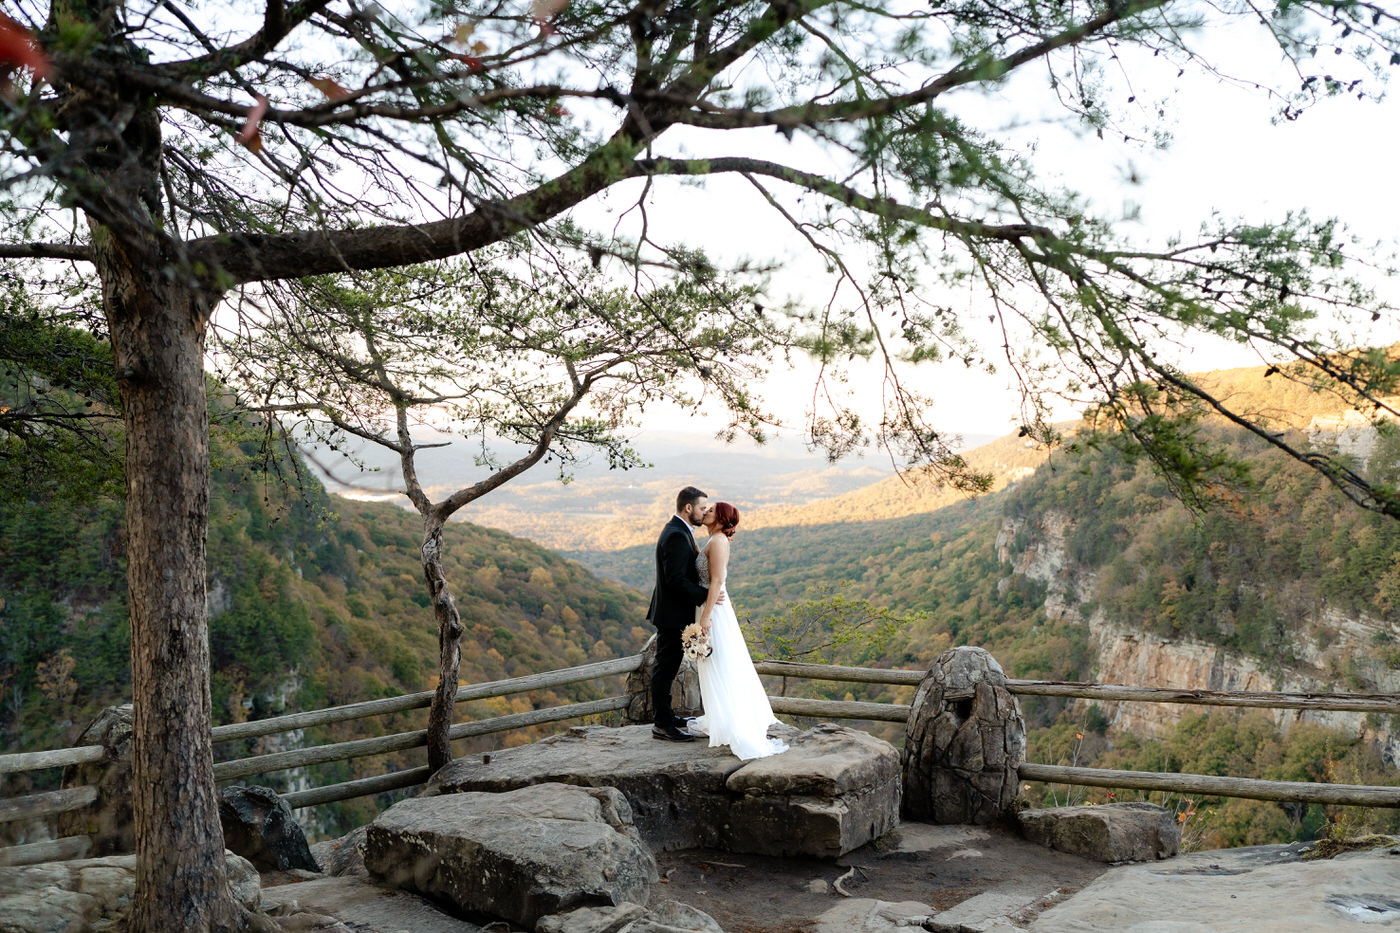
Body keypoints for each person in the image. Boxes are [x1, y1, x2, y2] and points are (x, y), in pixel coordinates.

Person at [688, 502, 789, 760]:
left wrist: (707, 616)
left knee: (721, 662)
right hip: (707, 606)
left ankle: (735, 724)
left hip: (714, 611)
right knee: (714, 663)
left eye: (711, 510)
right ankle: (721, 717)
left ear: (721, 519)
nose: (706, 511)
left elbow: (718, 581)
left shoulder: (719, 541)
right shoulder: (713, 540)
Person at [647, 485, 714, 742]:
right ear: (688, 508)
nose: (704, 512)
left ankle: (667, 716)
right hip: (672, 614)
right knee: (664, 669)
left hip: (673, 612)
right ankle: (662, 725)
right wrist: (705, 596)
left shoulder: (680, 530)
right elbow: (675, 579)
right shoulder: (676, 534)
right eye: (701, 508)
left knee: (669, 667)